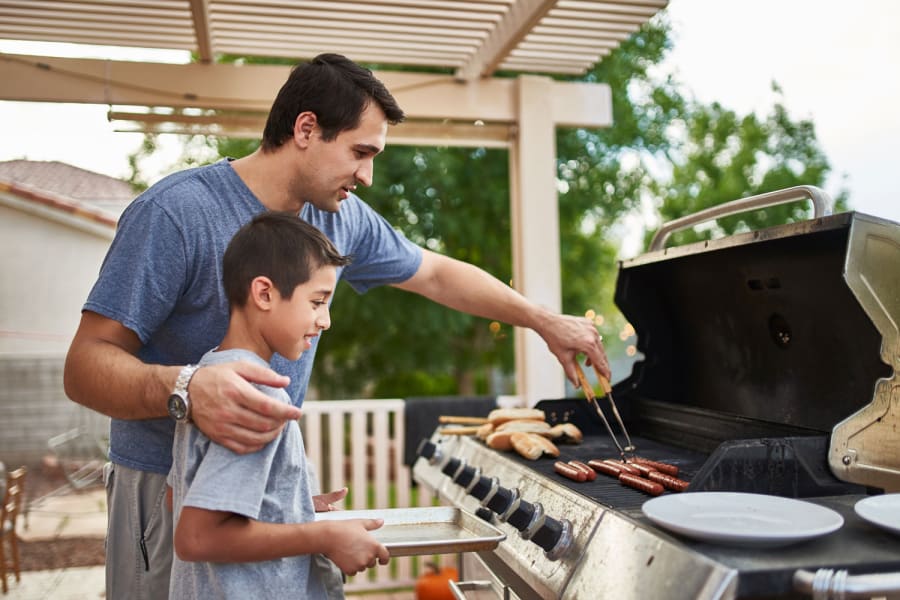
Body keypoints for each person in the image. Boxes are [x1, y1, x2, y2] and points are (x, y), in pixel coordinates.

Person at [63, 52, 610, 600]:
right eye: (360, 152)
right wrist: (188, 389)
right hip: (164, 491)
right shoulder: (176, 213)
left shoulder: (337, 218)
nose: (367, 176)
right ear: (306, 129)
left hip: (257, 504)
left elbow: (438, 275)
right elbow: (85, 367)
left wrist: (543, 321)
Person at [168, 211, 389, 598]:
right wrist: (323, 534)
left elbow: (179, 495)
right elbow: (197, 537)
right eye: (318, 302)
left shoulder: (211, 376)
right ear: (265, 293)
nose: (326, 321)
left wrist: (291, 505)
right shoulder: (256, 393)